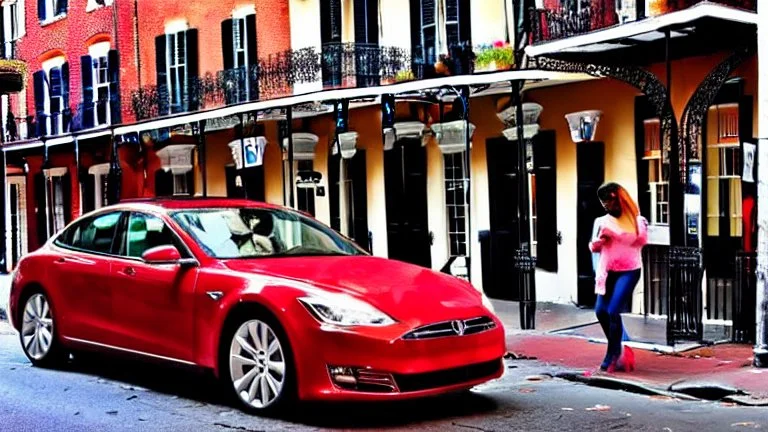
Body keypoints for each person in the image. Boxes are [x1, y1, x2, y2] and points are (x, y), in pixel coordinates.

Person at [589, 182, 648, 372]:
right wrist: (599, 241)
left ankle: (612, 353)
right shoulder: (602, 221)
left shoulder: (636, 220)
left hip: (629, 269)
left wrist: (614, 235)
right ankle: (619, 348)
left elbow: (640, 241)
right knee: (600, 311)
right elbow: (594, 247)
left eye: (609, 202)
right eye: (604, 203)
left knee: (613, 310)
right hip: (608, 270)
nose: (607, 206)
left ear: (619, 200)